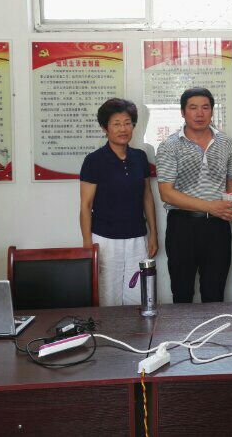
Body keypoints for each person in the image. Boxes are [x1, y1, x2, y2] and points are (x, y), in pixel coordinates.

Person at [155, 87, 232, 303]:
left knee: (215, 293)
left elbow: (231, 180)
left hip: (218, 228)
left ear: (212, 111)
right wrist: (210, 206)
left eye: (205, 107)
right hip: (182, 227)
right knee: (182, 293)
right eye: (193, 108)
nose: (200, 113)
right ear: (183, 112)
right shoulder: (169, 146)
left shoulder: (225, 142)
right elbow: (166, 193)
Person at [79, 98, 158, 306]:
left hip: (137, 238)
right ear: (105, 128)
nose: (123, 129)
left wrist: (153, 234)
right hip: (105, 240)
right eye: (116, 124)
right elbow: (86, 206)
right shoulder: (94, 160)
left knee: (138, 297)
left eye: (127, 123)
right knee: (107, 299)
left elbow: (147, 196)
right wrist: (87, 245)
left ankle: (136, 329)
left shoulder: (140, 157)